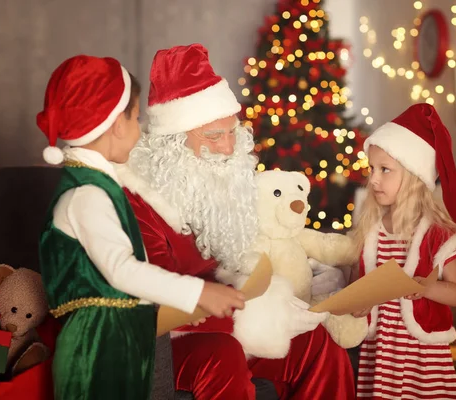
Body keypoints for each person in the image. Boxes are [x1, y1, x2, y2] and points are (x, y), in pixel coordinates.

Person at [115, 43, 356, 399]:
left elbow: (261, 252)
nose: (229, 148)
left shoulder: (229, 187)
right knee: (222, 355)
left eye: (232, 131)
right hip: (167, 340)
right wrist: (260, 312)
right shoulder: (140, 204)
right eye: (213, 136)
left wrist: (307, 280)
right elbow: (156, 307)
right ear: (172, 144)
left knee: (317, 343)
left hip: (233, 320)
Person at [36, 55, 245, 399]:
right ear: (117, 124)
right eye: (136, 117)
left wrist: (182, 306)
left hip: (120, 337)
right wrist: (199, 293)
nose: (140, 126)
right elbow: (122, 270)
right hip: (96, 344)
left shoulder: (100, 186)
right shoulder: (86, 194)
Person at [350, 103, 456, 399]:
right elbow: (360, 283)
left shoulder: (438, 234)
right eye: (371, 169)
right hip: (381, 350)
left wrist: (427, 287)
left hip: (420, 352)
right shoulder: (371, 229)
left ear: (413, 176)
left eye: (385, 169)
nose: (373, 178)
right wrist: (358, 304)